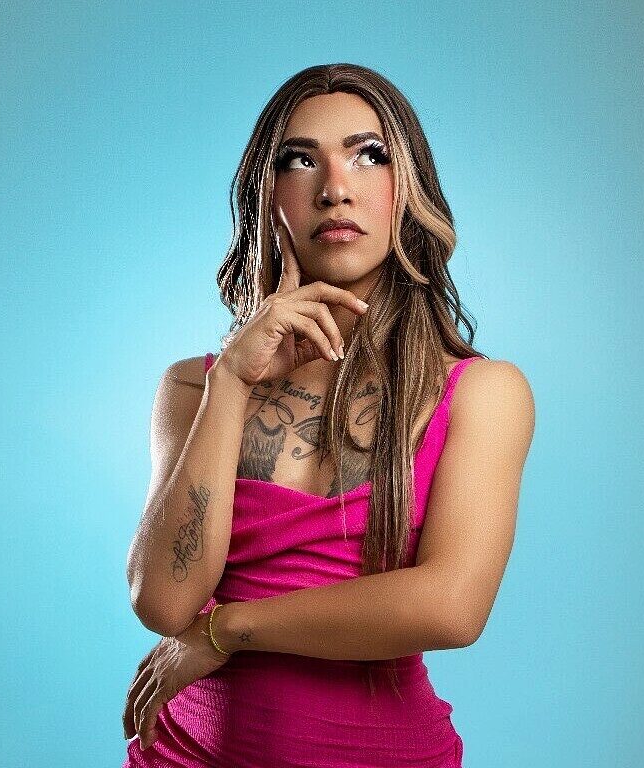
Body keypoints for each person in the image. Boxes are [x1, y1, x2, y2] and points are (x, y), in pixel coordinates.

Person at [122, 63, 535, 768]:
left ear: (409, 188)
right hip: (184, 754)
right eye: (301, 159)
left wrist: (225, 630)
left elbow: (451, 606)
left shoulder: (481, 393)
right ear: (269, 195)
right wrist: (233, 385)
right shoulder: (195, 387)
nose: (335, 188)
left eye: (368, 154)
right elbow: (163, 602)